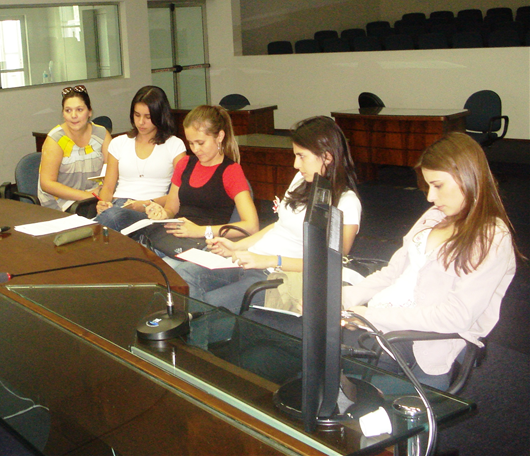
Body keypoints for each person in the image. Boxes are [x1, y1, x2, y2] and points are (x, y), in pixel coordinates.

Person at [342, 132, 520, 390]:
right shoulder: (434, 216)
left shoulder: (491, 237)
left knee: (363, 402)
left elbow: (454, 317)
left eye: (438, 185)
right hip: (387, 328)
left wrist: (371, 316)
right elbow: (393, 273)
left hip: (428, 345)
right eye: (428, 186)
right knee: (328, 373)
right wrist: (345, 297)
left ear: (468, 177)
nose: (430, 198)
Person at [178, 115, 361, 314]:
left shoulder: (346, 202)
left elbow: (329, 264)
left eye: (301, 156)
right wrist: (237, 246)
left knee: (210, 304)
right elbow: (278, 226)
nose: (295, 165)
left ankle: (204, 336)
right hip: (251, 260)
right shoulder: (301, 180)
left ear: (327, 156)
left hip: (276, 275)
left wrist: (271, 260)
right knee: (183, 276)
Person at [134, 105, 258, 259]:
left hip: (205, 245)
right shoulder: (185, 164)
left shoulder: (231, 171)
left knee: (165, 274)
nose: (195, 149)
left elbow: (251, 226)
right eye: (191, 143)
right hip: (176, 240)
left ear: (219, 137)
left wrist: (201, 231)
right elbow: (171, 209)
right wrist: (162, 213)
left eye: (200, 143)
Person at [95, 86, 186, 231]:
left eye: (148, 117)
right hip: (118, 206)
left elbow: (180, 193)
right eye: (137, 115)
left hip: (151, 209)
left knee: (112, 218)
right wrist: (103, 203)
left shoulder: (174, 145)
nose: (141, 122)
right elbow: (108, 187)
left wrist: (145, 204)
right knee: (113, 215)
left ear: (160, 116)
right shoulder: (119, 143)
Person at [38, 85, 111, 211]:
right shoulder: (55, 139)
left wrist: (103, 193)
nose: (74, 115)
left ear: (89, 112)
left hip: (95, 196)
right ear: (63, 113)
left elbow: (112, 169)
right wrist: (87, 196)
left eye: (79, 110)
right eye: (68, 110)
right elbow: (47, 184)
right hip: (60, 204)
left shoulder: (101, 134)